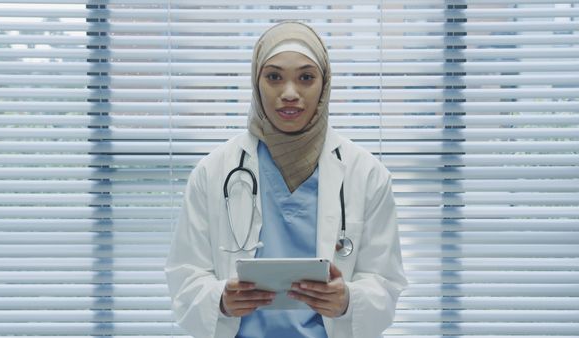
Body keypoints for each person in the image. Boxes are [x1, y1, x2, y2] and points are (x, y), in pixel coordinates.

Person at [165, 21, 408, 338]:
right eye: (274, 77)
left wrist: (348, 300)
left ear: (324, 84)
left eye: (306, 77)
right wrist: (221, 300)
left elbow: (386, 283)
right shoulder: (213, 172)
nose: (290, 93)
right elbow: (185, 277)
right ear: (256, 82)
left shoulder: (366, 174)